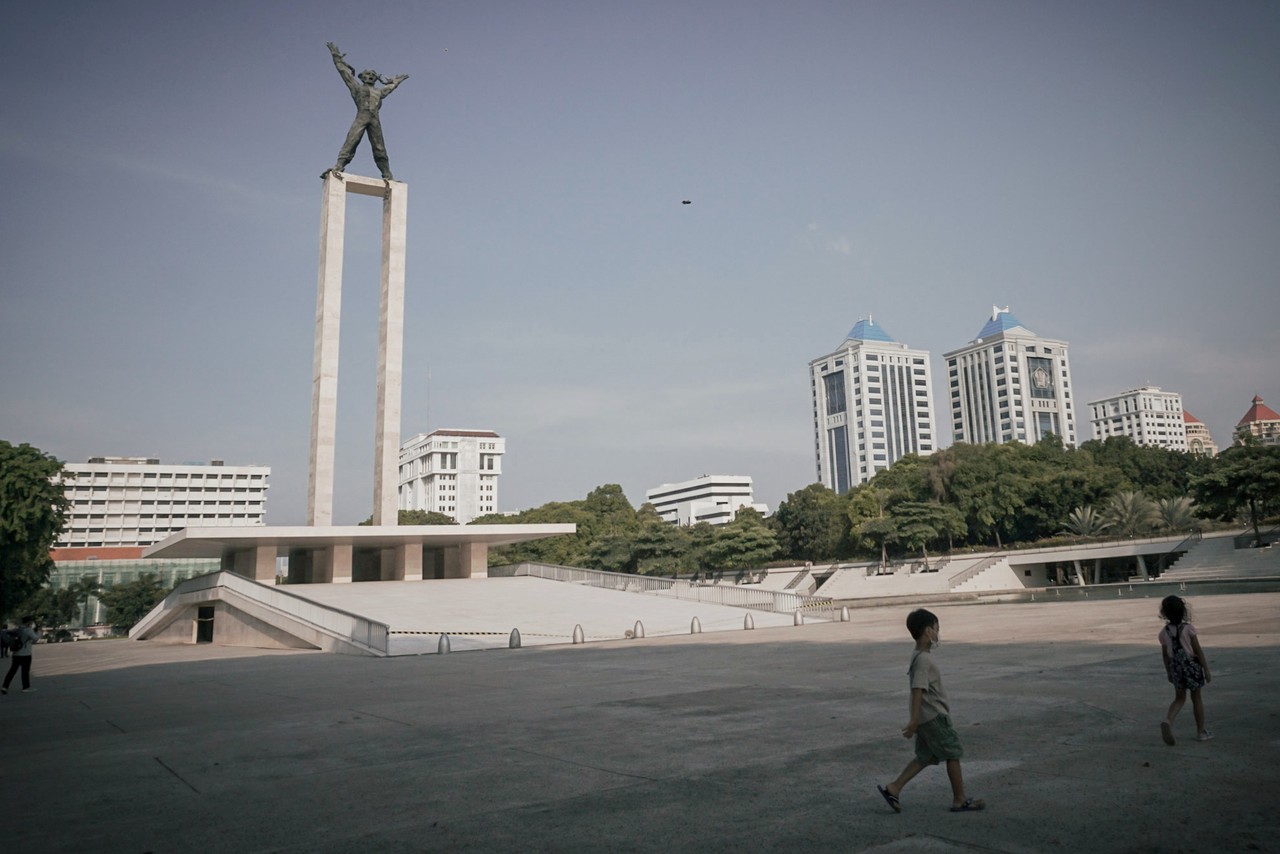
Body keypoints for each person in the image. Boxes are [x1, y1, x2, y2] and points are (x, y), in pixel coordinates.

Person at [877, 608, 985, 813]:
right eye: (937, 628)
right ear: (928, 631)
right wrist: (913, 721)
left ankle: (894, 788)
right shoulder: (924, 660)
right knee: (953, 753)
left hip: (926, 717)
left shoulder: (918, 655)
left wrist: (916, 719)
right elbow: (918, 689)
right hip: (934, 717)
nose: (938, 633)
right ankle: (959, 799)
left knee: (925, 756)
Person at [324, 42, 409, 181]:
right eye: (367, 74)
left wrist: (397, 81)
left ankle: (387, 174)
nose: (370, 76)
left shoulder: (379, 92)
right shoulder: (356, 88)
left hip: (375, 119)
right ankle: (339, 166)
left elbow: (391, 87)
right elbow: (344, 73)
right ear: (362, 77)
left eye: (373, 75)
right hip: (362, 116)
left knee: (379, 147)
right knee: (351, 141)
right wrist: (337, 58)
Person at [1158, 595, 1211, 745]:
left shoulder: (1163, 633)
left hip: (1176, 669)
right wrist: (1206, 669)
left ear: (1164, 613)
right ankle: (1201, 732)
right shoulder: (1188, 629)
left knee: (1179, 698)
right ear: (1183, 611)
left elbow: (1165, 656)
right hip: (1192, 667)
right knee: (1196, 698)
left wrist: (1169, 672)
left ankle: (1168, 720)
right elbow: (1198, 650)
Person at [1, 616, 41, 694]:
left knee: (12, 670)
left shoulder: (17, 629)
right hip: (26, 654)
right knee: (25, 671)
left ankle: (5, 686)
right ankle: (26, 687)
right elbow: (35, 638)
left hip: (16, 653)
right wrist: (38, 631)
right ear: (29, 622)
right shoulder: (28, 630)